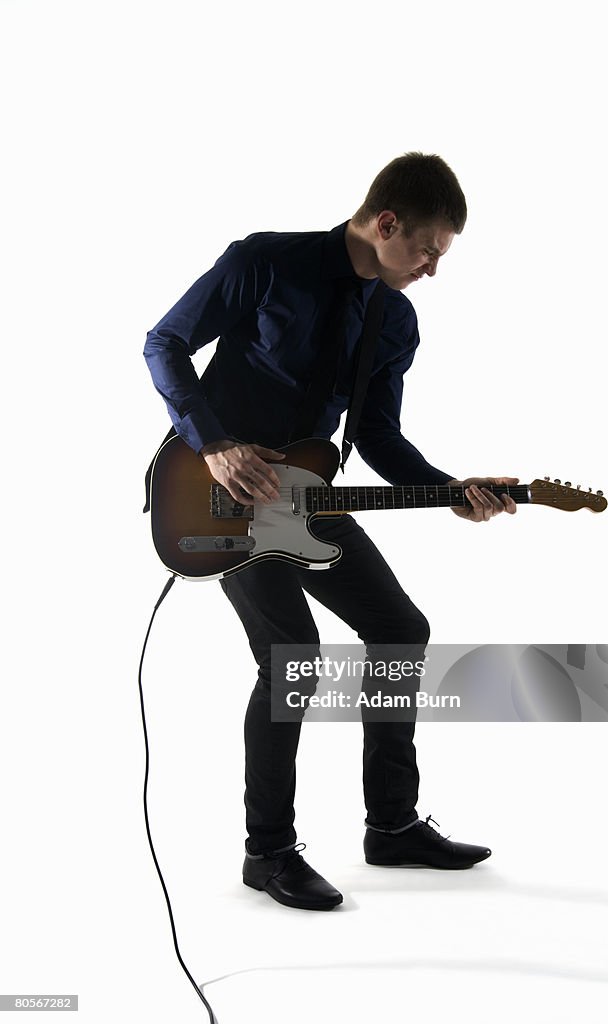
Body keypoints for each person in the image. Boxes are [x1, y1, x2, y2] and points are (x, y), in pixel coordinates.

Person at [144, 152, 518, 912]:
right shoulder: (264, 263)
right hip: (218, 496)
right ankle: (269, 852)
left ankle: (391, 825)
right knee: (292, 659)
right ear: (386, 224)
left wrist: (449, 489)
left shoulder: (394, 319)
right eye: (427, 251)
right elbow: (163, 344)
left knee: (397, 626)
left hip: (308, 498)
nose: (431, 269)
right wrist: (213, 445)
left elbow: (377, 437)